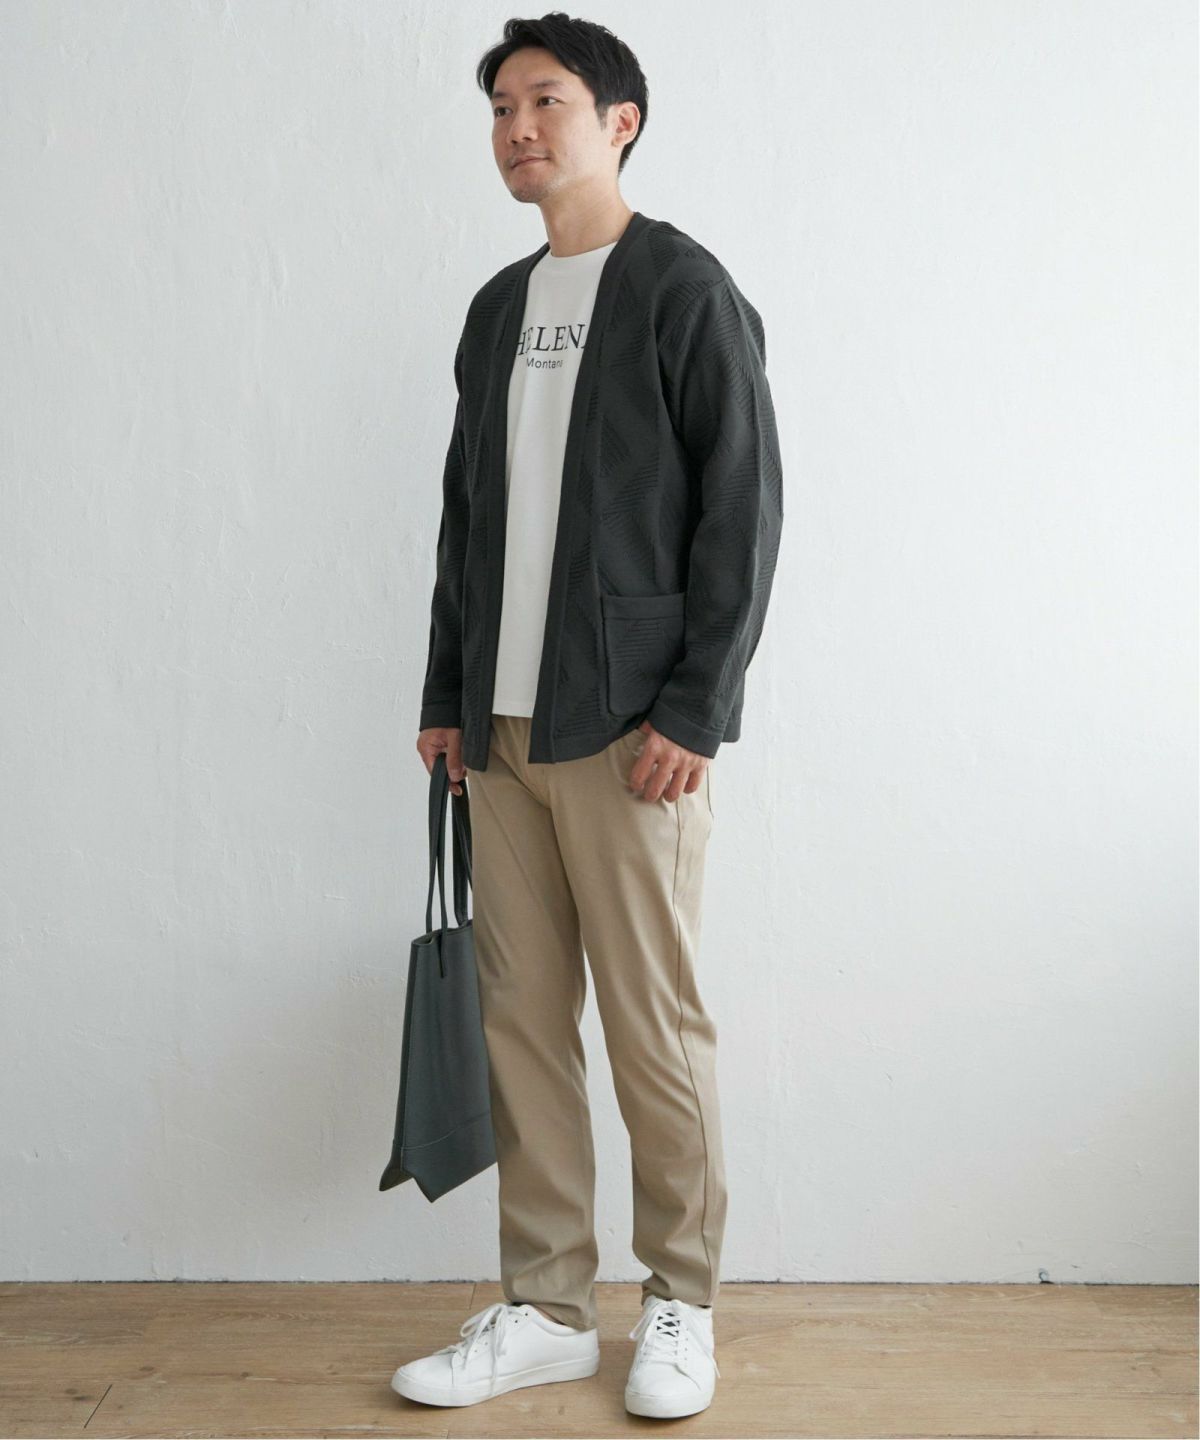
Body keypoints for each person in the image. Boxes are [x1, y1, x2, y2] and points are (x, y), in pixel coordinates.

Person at [391, 10, 783, 1421]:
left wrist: (698, 708)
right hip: (501, 738)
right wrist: (447, 696)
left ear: (621, 119)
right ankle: (549, 1305)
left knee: (652, 1031)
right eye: (502, 108)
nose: (518, 129)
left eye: (545, 101)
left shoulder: (684, 288)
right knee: (522, 1025)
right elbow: (466, 518)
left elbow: (743, 511)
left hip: (632, 737)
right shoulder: (498, 308)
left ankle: (681, 1300)